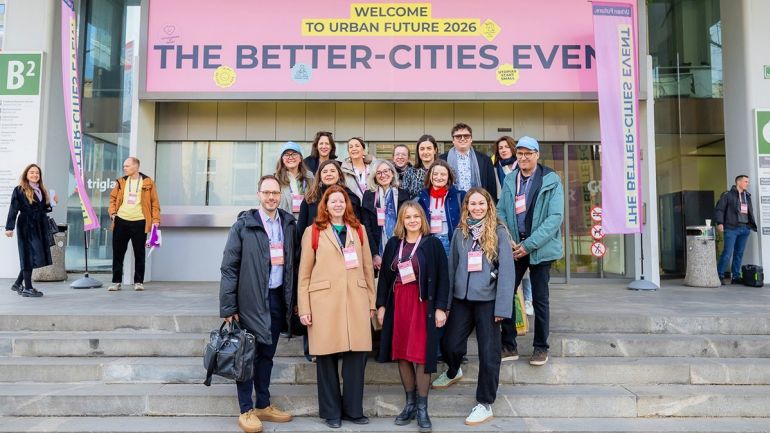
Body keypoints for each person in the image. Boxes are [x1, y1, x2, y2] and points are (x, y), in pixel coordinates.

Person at [431, 187, 515, 426]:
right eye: (472, 203)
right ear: (466, 206)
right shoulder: (460, 232)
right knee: (449, 344)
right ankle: (453, 370)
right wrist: (445, 304)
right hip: (461, 299)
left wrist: (502, 308)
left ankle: (485, 403)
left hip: (488, 301)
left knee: (489, 354)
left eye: (481, 203)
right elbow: (451, 268)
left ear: (488, 206)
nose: (477, 208)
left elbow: (507, 272)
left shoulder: (498, 232)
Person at [220, 175, 296, 433]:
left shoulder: (288, 223)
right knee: (246, 357)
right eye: (266, 193)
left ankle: (263, 404)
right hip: (250, 300)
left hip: (276, 298)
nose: (271, 197)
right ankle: (246, 410)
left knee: (267, 355)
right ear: (258, 195)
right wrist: (228, 307)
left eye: (275, 193)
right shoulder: (244, 225)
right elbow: (229, 268)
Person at [297, 185, 376, 429]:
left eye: (341, 201)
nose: (338, 205)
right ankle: (331, 412)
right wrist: (304, 308)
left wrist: (372, 303)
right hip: (323, 303)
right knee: (326, 359)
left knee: (357, 357)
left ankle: (353, 410)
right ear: (325, 205)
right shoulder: (313, 232)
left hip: (356, 300)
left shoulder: (359, 230)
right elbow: (304, 275)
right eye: (333, 201)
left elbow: (367, 268)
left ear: (347, 204)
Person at [376, 203, 449, 432]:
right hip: (399, 305)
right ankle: (409, 404)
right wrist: (380, 306)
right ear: (401, 220)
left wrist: (440, 308)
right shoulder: (393, 244)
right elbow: (386, 279)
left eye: (416, 216)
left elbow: (443, 278)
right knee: (403, 354)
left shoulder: (433, 244)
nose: (412, 220)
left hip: (422, 306)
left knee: (420, 355)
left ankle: (422, 408)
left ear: (422, 218)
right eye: (407, 217)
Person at [497, 136, 564, 366]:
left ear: (537, 155)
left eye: (528, 153)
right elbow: (501, 211)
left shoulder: (551, 180)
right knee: (504, 291)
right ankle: (509, 344)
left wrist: (529, 245)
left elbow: (554, 218)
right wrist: (511, 240)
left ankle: (540, 347)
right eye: (520, 154)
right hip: (515, 246)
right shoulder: (510, 179)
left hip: (539, 248)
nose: (524, 158)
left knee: (540, 298)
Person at [107, 157, 161, 292]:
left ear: (136, 167)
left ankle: (138, 281)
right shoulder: (121, 182)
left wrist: (155, 221)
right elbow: (112, 198)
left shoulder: (148, 182)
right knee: (118, 253)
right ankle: (116, 282)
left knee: (139, 253)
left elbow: (155, 203)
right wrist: (113, 214)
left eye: (127, 166)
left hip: (140, 221)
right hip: (121, 221)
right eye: (124, 166)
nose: (124, 168)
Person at [4, 164, 55, 297]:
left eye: (37, 173)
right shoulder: (19, 189)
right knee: (28, 254)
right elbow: (13, 209)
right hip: (26, 225)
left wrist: (51, 203)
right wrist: (9, 228)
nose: (34, 175)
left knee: (34, 255)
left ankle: (17, 284)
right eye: (32, 172)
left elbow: (42, 208)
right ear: (26, 174)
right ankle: (28, 288)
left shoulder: (41, 190)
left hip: (38, 225)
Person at [361, 159, 410, 272]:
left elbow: (407, 226)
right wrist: (374, 254)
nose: (383, 175)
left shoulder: (403, 194)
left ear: (392, 173)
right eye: (379, 173)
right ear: (374, 176)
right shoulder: (369, 196)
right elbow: (366, 227)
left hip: (400, 248)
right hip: (378, 249)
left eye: (386, 171)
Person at [296, 159, 361, 239]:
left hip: (345, 243)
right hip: (316, 244)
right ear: (320, 176)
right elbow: (301, 228)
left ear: (339, 175)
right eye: (325, 172)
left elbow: (356, 225)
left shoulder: (350, 197)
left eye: (332, 171)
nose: (329, 174)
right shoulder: (311, 198)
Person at [714, 175, 757, 285]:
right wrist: (720, 223)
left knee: (739, 253)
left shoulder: (747, 196)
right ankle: (719, 274)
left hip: (744, 228)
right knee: (727, 252)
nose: (748, 183)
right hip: (731, 228)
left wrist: (750, 226)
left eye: (748, 181)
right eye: (746, 181)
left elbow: (749, 212)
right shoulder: (727, 195)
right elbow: (719, 209)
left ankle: (736, 276)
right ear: (739, 182)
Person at [417, 160, 465, 256]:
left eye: (443, 174)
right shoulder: (421, 197)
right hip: (428, 242)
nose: (439, 177)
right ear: (430, 175)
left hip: (450, 241)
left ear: (448, 177)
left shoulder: (460, 196)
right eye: (435, 174)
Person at [439, 123, 496, 197]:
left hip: (477, 203)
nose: (463, 138)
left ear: (471, 139)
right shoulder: (442, 160)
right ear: (453, 140)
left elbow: (491, 186)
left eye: (466, 136)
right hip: (450, 203)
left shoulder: (485, 160)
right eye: (458, 136)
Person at [275, 141, 314, 217]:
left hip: (306, 221)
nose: (290, 157)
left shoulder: (310, 177)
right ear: (282, 159)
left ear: (300, 158)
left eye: (294, 154)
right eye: (286, 155)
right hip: (285, 221)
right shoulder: (276, 180)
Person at [493, 136, 517, 201]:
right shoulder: (494, 168)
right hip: (501, 203)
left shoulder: (521, 166)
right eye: (500, 148)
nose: (503, 150)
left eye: (507, 147)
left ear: (513, 148)